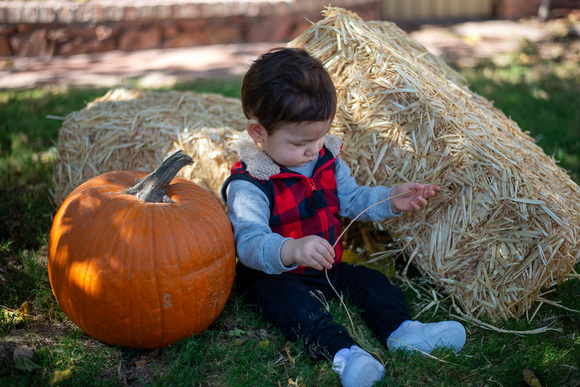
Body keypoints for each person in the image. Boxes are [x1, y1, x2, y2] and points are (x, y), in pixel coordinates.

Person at [221, 47, 466, 387]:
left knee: (373, 284)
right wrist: (292, 250)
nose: (312, 149)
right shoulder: (250, 183)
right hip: (271, 275)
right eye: (300, 142)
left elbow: (352, 200)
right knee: (293, 308)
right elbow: (248, 242)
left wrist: (391, 199)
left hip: (326, 267)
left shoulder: (327, 159)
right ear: (258, 132)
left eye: (320, 135)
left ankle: (401, 331)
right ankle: (344, 354)